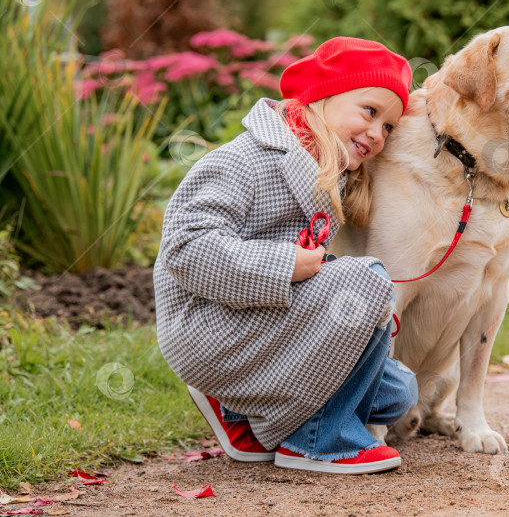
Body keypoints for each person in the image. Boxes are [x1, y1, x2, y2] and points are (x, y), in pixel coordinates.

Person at [153, 37, 418, 474]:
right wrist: (284, 264)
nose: (377, 133)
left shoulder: (327, 172)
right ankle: (316, 438)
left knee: (400, 393)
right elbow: (185, 248)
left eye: (389, 126)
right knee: (367, 280)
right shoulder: (247, 160)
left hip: (263, 322)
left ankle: (239, 408)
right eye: (370, 111)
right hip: (211, 326)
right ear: (322, 98)